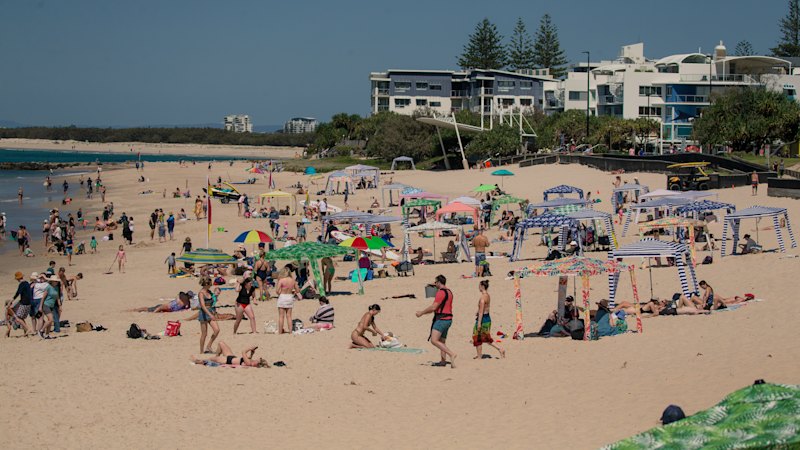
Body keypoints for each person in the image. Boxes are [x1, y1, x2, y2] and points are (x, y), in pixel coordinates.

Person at [415, 275, 457, 368]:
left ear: (438, 282)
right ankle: (443, 361)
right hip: (448, 319)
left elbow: (433, 307)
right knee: (442, 341)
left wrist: (421, 313)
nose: (434, 284)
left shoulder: (441, 292)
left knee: (434, 340)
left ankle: (451, 354)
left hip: (442, 319)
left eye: (435, 282)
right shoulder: (449, 291)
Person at [472, 280, 504, 359]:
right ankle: (500, 349)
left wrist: (479, 323)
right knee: (486, 338)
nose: (478, 287)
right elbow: (484, 308)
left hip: (483, 319)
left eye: (479, 286)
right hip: (487, 318)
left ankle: (479, 356)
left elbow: (481, 311)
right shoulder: (487, 295)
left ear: (482, 286)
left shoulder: (482, 298)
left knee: (477, 337)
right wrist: (477, 311)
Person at [191, 342, 269, 368]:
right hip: (231, 356)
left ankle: (196, 361)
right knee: (221, 343)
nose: (258, 359)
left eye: (259, 360)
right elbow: (246, 358)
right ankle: (217, 356)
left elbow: (243, 352)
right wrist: (252, 353)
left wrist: (250, 348)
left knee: (209, 359)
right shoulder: (250, 362)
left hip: (227, 360)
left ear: (258, 363)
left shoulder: (249, 363)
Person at [197, 277, 220, 353]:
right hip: (204, 313)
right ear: (206, 284)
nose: (211, 285)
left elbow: (213, 302)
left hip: (210, 311)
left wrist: (213, 312)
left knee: (217, 330)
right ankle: (201, 351)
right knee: (204, 334)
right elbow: (203, 306)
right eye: (210, 284)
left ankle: (209, 345)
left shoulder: (209, 292)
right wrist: (210, 314)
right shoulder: (201, 293)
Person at [276, 268, 301, 334]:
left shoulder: (281, 280)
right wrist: (293, 291)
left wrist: (280, 293)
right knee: (289, 316)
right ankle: (290, 331)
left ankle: (280, 332)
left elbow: (277, 291)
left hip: (282, 296)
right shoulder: (293, 280)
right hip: (289, 297)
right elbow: (298, 290)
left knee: (281, 316)